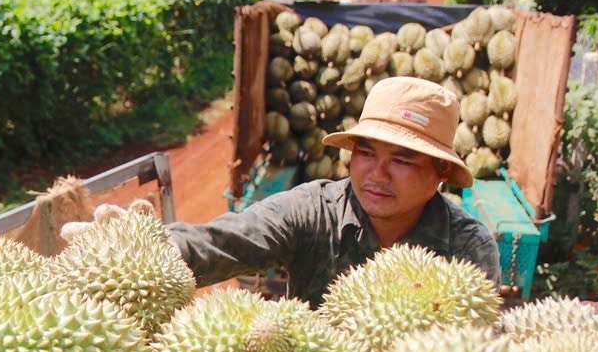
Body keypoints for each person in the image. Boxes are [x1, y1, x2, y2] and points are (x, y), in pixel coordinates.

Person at [164, 76, 500, 308]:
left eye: (402, 160)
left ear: (441, 172)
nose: (377, 173)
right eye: (366, 153)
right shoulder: (313, 210)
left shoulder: (466, 249)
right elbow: (225, 240)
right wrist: (153, 246)